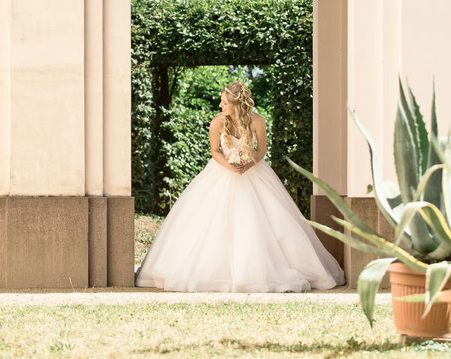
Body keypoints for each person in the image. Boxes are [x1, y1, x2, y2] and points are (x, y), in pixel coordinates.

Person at [135, 80, 344, 292]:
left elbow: (261, 150)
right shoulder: (217, 123)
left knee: (269, 218)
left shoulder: (257, 122)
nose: (220, 105)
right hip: (222, 172)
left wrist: (248, 163)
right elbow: (215, 151)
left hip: (254, 172)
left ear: (236, 103)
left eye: (224, 102)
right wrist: (231, 165)